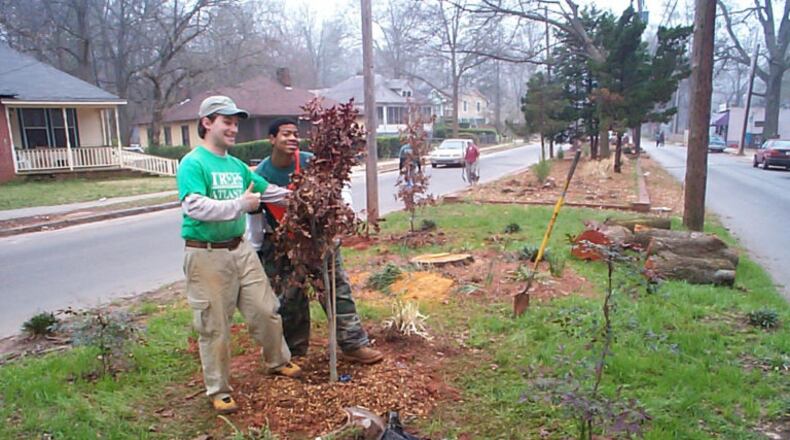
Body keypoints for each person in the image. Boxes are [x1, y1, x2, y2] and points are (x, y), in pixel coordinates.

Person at [176, 96, 301, 415]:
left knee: (266, 308)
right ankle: (218, 389)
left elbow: (267, 191)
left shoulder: (236, 166)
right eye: (226, 122)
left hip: (240, 249)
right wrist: (240, 206)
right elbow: (194, 206)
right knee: (214, 324)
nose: (233, 128)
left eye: (235, 123)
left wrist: (304, 197)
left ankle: (278, 361)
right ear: (207, 123)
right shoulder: (194, 162)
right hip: (206, 255)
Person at [246, 118, 384, 365]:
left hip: (321, 240)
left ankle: (353, 343)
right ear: (271, 139)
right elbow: (256, 216)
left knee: (336, 290)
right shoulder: (262, 175)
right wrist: (257, 249)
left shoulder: (310, 162)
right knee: (289, 298)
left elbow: (338, 189)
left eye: (295, 134)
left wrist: (342, 215)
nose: (292, 138)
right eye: (285, 134)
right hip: (283, 245)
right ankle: (295, 351)